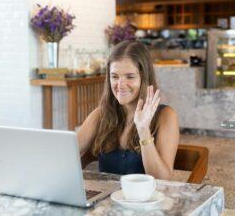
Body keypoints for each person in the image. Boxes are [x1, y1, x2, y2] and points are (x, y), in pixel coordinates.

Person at [77, 40, 180, 180]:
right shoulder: (102, 113)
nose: (120, 85)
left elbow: (163, 181)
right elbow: (68, 153)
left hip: (145, 201)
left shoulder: (166, 116)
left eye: (130, 76)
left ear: (144, 77)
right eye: (114, 76)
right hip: (106, 200)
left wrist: (143, 129)